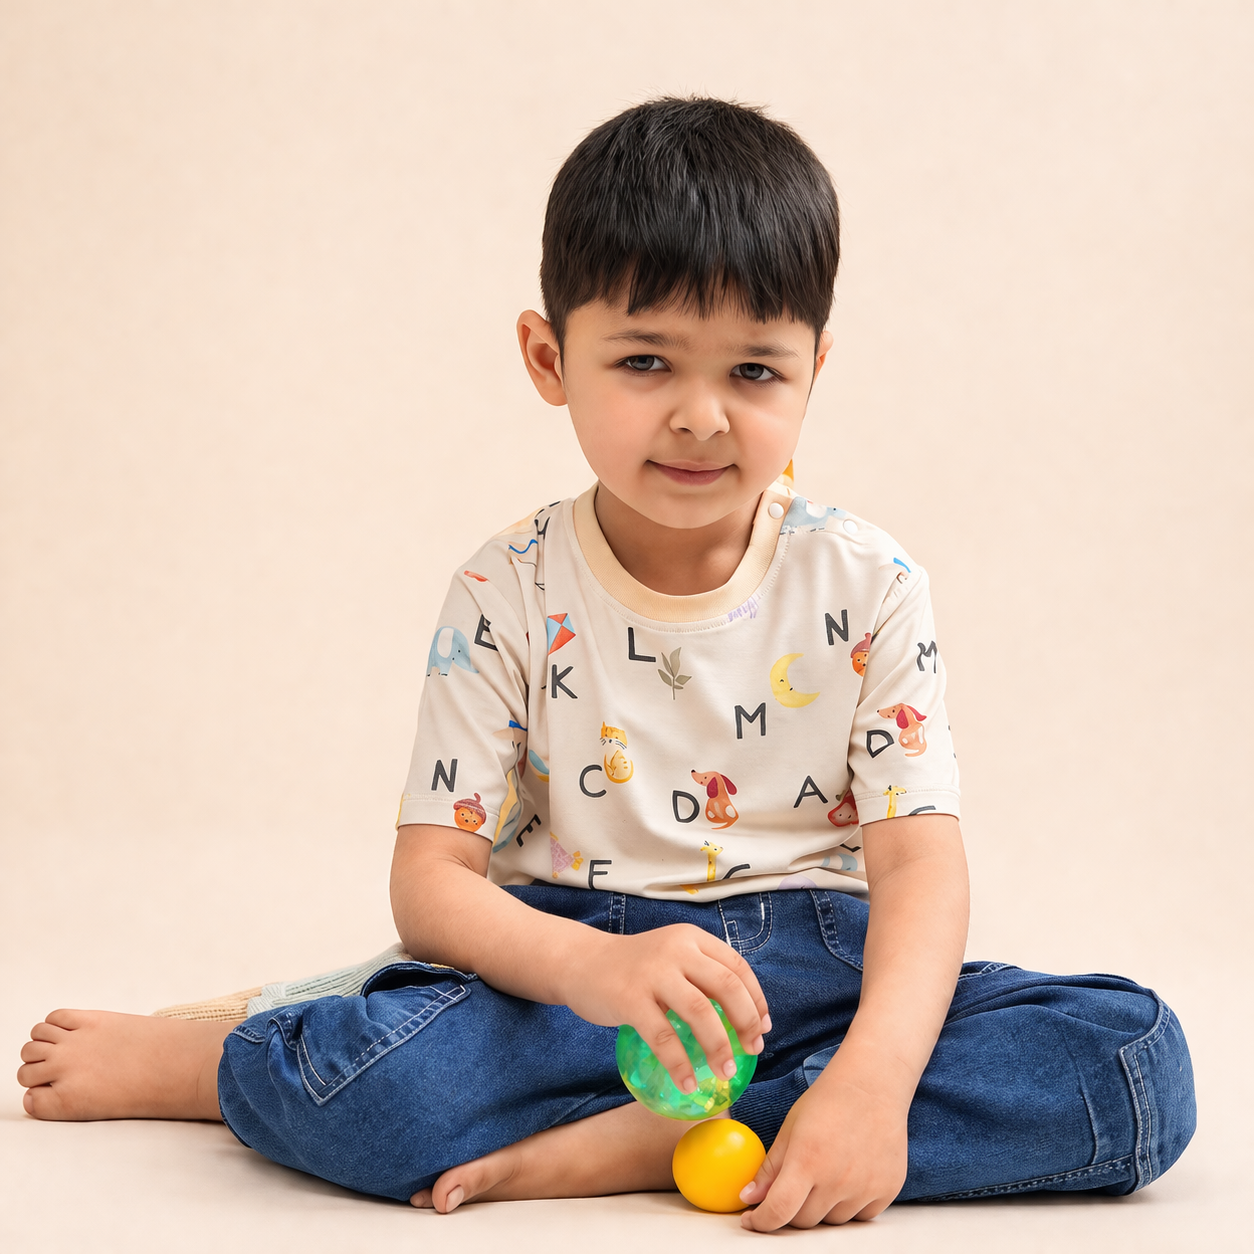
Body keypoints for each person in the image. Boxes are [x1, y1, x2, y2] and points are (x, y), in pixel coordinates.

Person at [15, 97, 1196, 1231]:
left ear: (815, 369)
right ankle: (225, 1050)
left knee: (1138, 1065)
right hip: (578, 969)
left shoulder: (870, 583)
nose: (700, 416)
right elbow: (434, 883)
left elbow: (921, 866)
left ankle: (657, 1137)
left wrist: (878, 1082)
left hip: (818, 975)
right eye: (644, 362)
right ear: (548, 356)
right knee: (378, 1105)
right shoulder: (507, 589)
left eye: (753, 372)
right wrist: (595, 971)